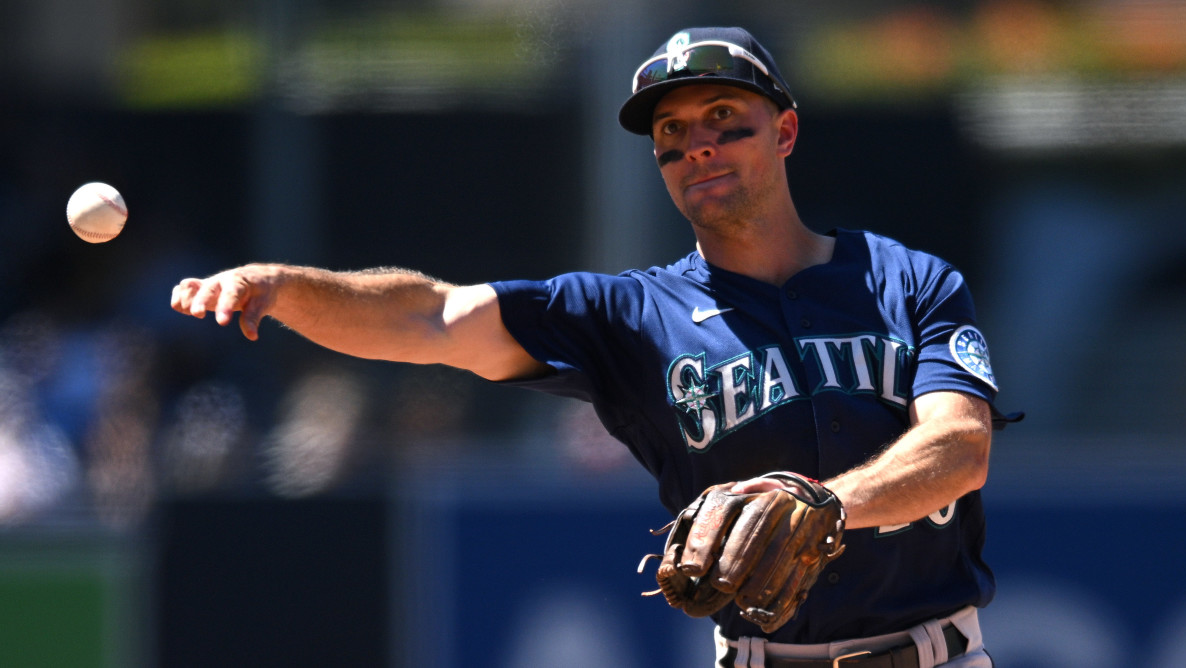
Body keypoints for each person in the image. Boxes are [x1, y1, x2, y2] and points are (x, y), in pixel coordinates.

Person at [172, 26, 1018, 668]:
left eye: (725, 119)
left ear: (786, 132)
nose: (699, 148)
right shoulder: (626, 315)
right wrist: (287, 286)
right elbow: (429, 316)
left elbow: (958, 446)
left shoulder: (906, 280)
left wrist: (825, 507)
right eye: (674, 134)